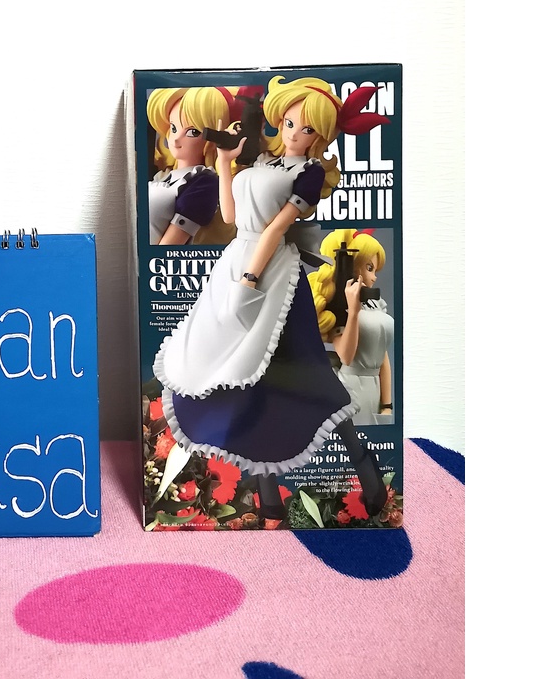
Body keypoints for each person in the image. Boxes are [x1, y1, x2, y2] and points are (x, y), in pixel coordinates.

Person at [154, 75, 390, 518]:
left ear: (320, 135)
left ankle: (366, 469)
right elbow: (231, 217)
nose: (294, 133)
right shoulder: (261, 160)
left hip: (275, 277)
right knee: (248, 384)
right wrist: (225, 163)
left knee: (309, 378)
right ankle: (268, 499)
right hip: (236, 263)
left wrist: (250, 276)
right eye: (289, 123)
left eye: (307, 128)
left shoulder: (310, 173)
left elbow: (276, 229)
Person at [310, 229, 394, 425]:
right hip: (350, 388)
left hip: (374, 388)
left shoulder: (376, 303)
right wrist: (353, 312)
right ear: (352, 267)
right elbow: (346, 357)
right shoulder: (338, 304)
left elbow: (382, 355)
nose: (374, 277)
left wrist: (387, 405)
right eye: (369, 268)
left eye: (375, 270)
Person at [146, 87, 233, 245]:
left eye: (192, 132)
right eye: (173, 128)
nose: (176, 139)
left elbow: (168, 250)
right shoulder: (163, 175)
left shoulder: (203, 183)